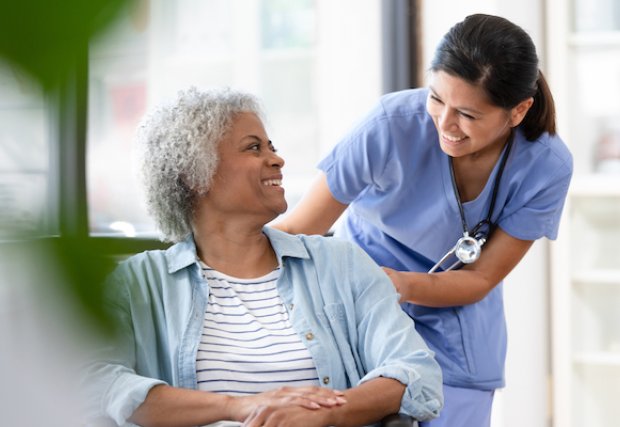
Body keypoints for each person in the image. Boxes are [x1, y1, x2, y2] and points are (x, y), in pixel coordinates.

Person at [274, 14, 573, 427]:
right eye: (436, 99)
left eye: (467, 114)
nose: (445, 124)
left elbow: (479, 278)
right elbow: (297, 228)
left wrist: (399, 284)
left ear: (519, 110)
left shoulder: (546, 166)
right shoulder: (390, 124)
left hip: (456, 322)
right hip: (360, 308)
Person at [84, 87, 443, 427]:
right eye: (254, 148)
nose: (277, 159)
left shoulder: (342, 265)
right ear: (196, 175)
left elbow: (416, 372)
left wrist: (328, 414)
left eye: (270, 146)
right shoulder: (137, 284)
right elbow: (94, 383)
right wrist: (240, 407)